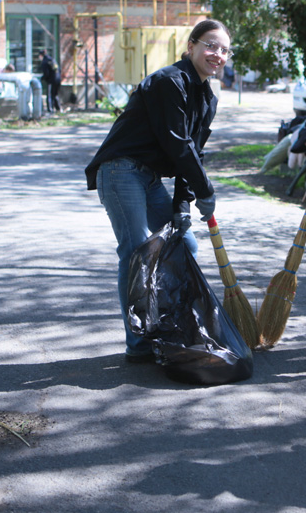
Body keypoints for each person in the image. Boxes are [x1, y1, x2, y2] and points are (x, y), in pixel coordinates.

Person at [85, 19, 228, 363]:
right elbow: (177, 144)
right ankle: (138, 344)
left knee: (186, 245)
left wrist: (183, 205)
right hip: (120, 170)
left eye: (224, 49)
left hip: (147, 178)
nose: (217, 54)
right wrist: (205, 189)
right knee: (136, 254)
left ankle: (171, 326)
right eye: (210, 45)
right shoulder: (169, 82)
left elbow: (190, 153)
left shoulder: (206, 96)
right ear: (191, 46)